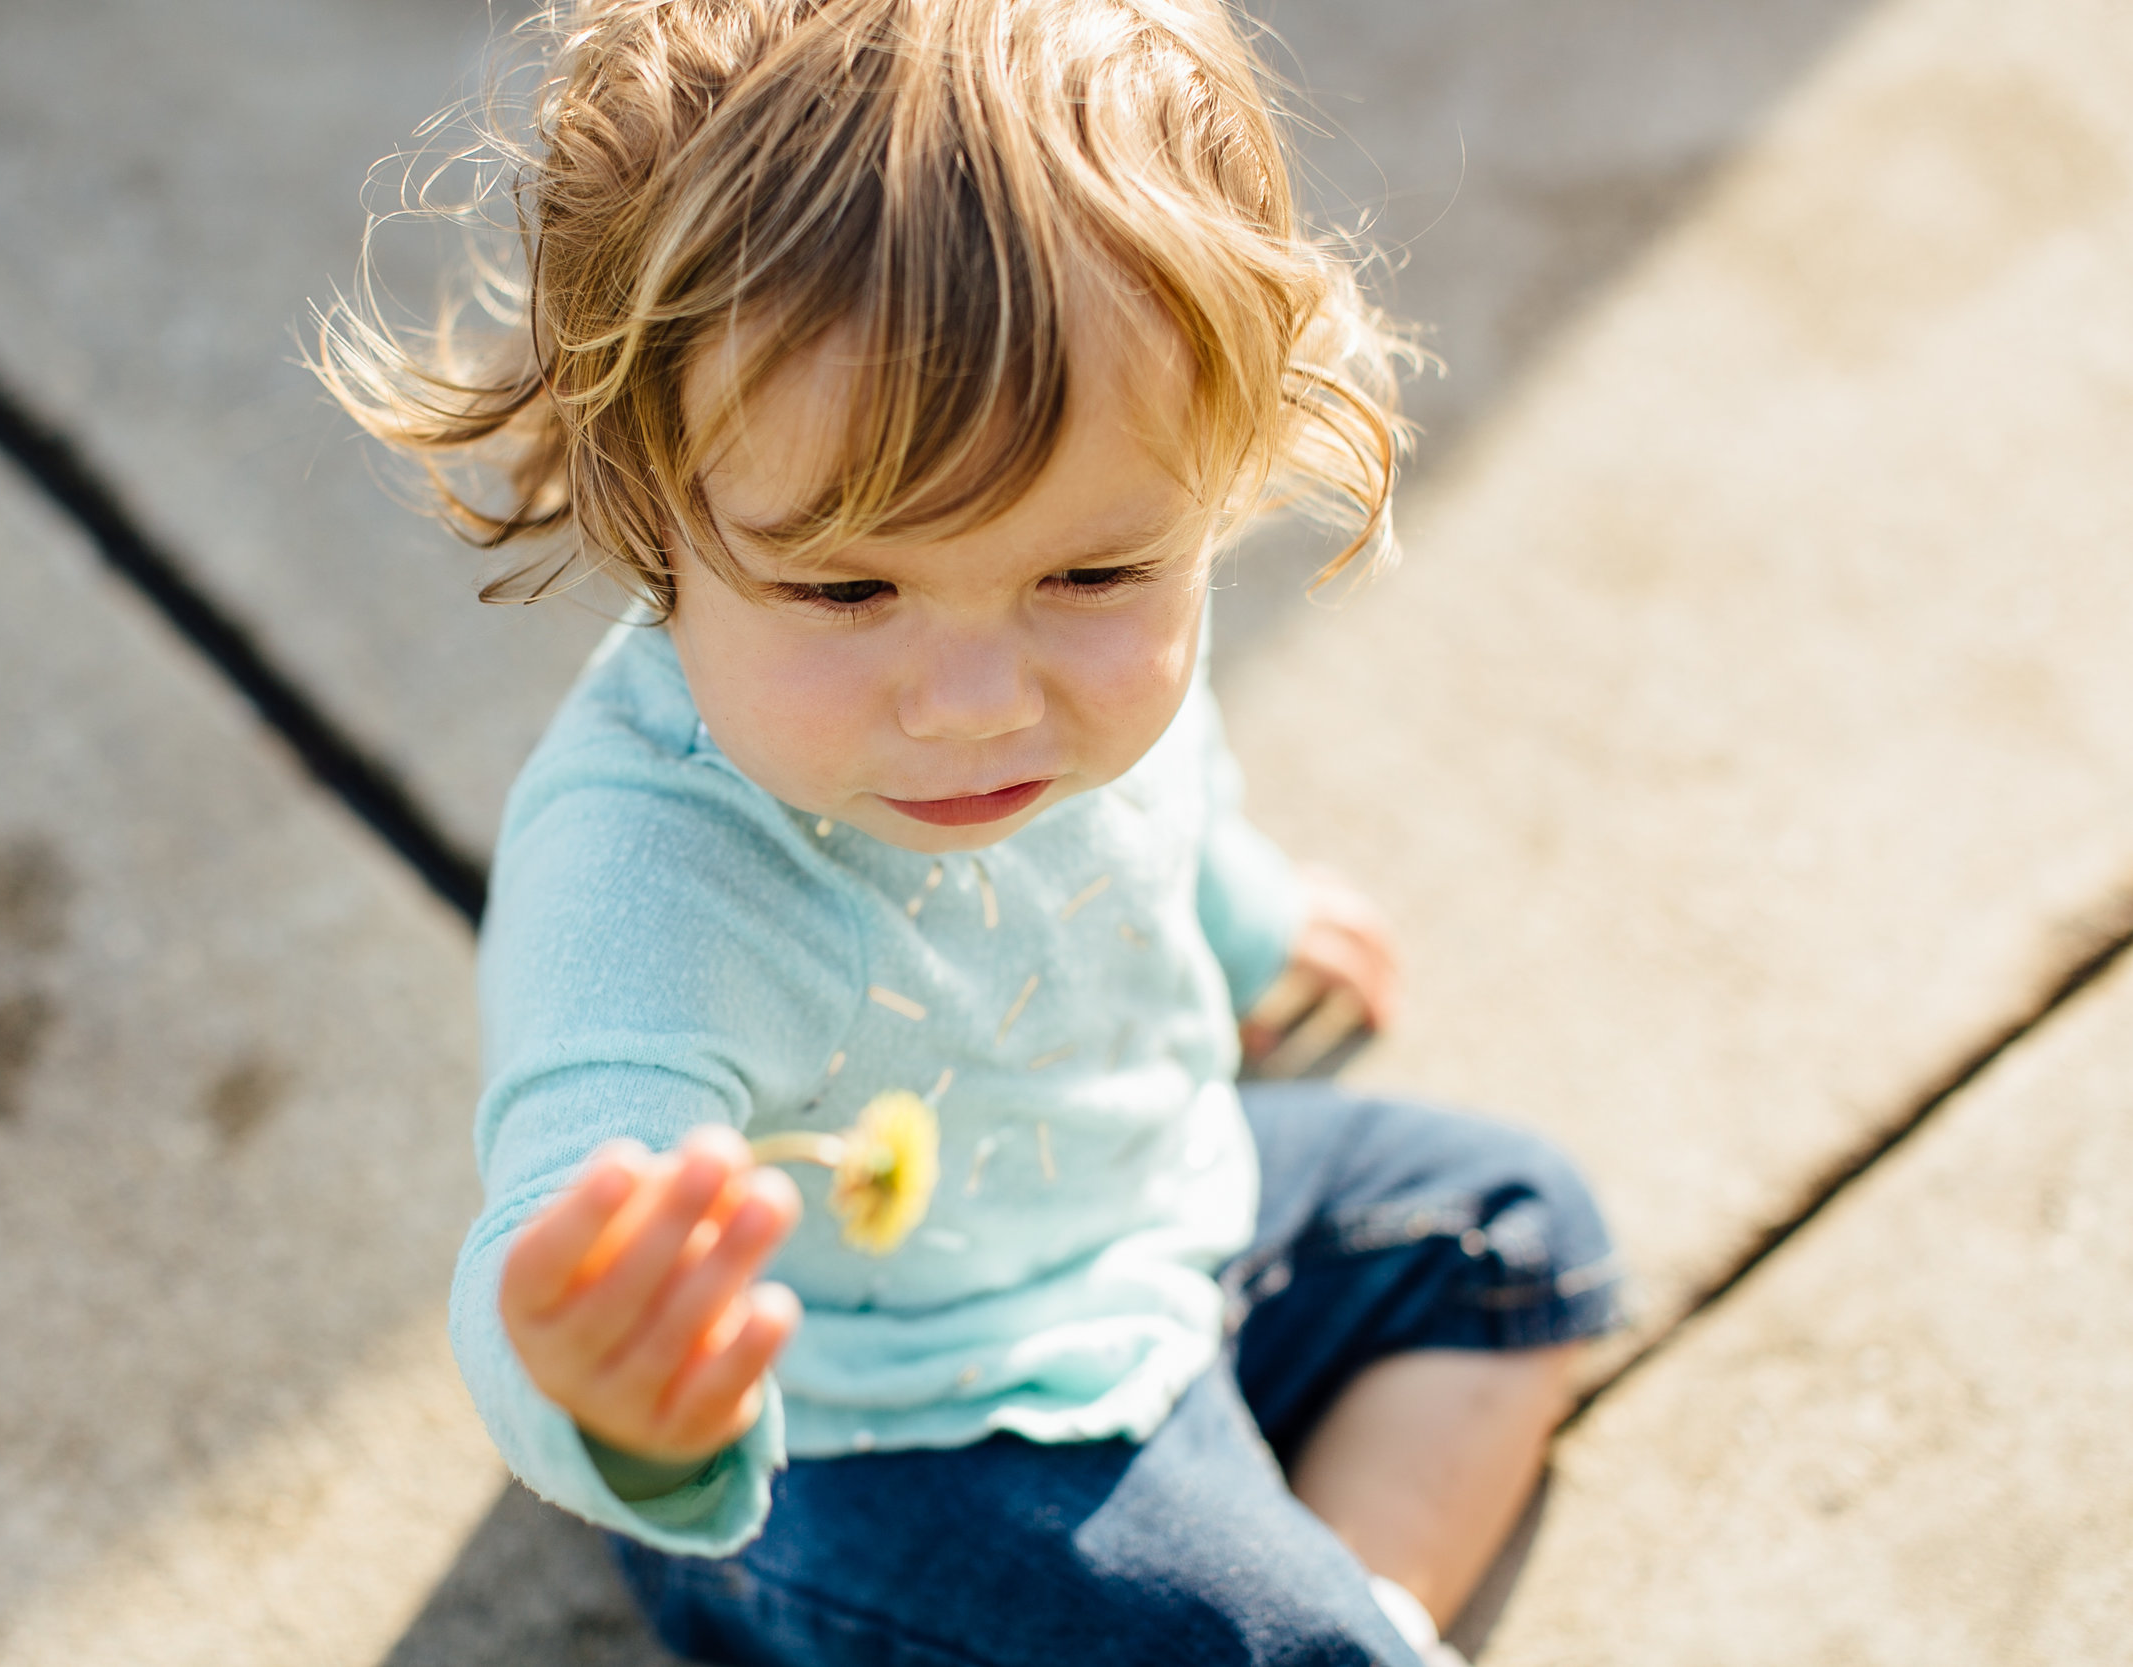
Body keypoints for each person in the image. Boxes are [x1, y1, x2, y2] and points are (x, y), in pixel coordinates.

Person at [315, 0, 1622, 1659]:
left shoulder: (1111, 619)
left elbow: (1167, 816)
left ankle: (1356, 1612)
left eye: (1091, 575)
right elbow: (562, 1197)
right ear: (652, 503)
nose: (979, 703)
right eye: (848, 588)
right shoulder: (652, 873)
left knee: (1516, 1234)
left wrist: (1251, 925)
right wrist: (617, 1382)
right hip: (871, 1445)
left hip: (1151, 1222)